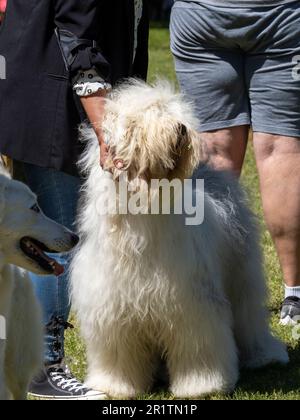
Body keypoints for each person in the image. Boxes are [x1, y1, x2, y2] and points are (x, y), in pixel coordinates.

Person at [0, 0, 149, 400]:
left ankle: (24, 361)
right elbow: (77, 39)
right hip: (52, 109)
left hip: (31, 98)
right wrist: (107, 132)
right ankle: (43, 367)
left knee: (33, 243)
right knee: (59, 240)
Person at [170, 1, 300, 324]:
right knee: (280, 150)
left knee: (211, 155)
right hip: (280, 12)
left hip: (202, 13)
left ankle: (204, 288)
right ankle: (295, 298)